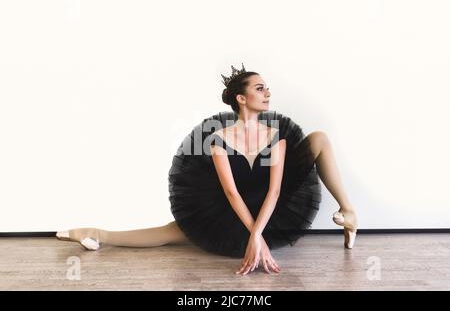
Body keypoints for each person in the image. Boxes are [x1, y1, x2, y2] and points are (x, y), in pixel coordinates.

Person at [56, 63, 358, 276]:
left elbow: (276, 190)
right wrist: (255, 237)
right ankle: (97, 233)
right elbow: (229, 191)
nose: (267, 93)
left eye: (267, 88)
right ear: (242, 99)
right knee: (168, 234)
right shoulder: (218, 139)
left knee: (319, 138)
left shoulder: (276, 136)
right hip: (229, 210)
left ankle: (349, 213)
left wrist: (258, 234)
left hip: (269, 210)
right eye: (259, 88)